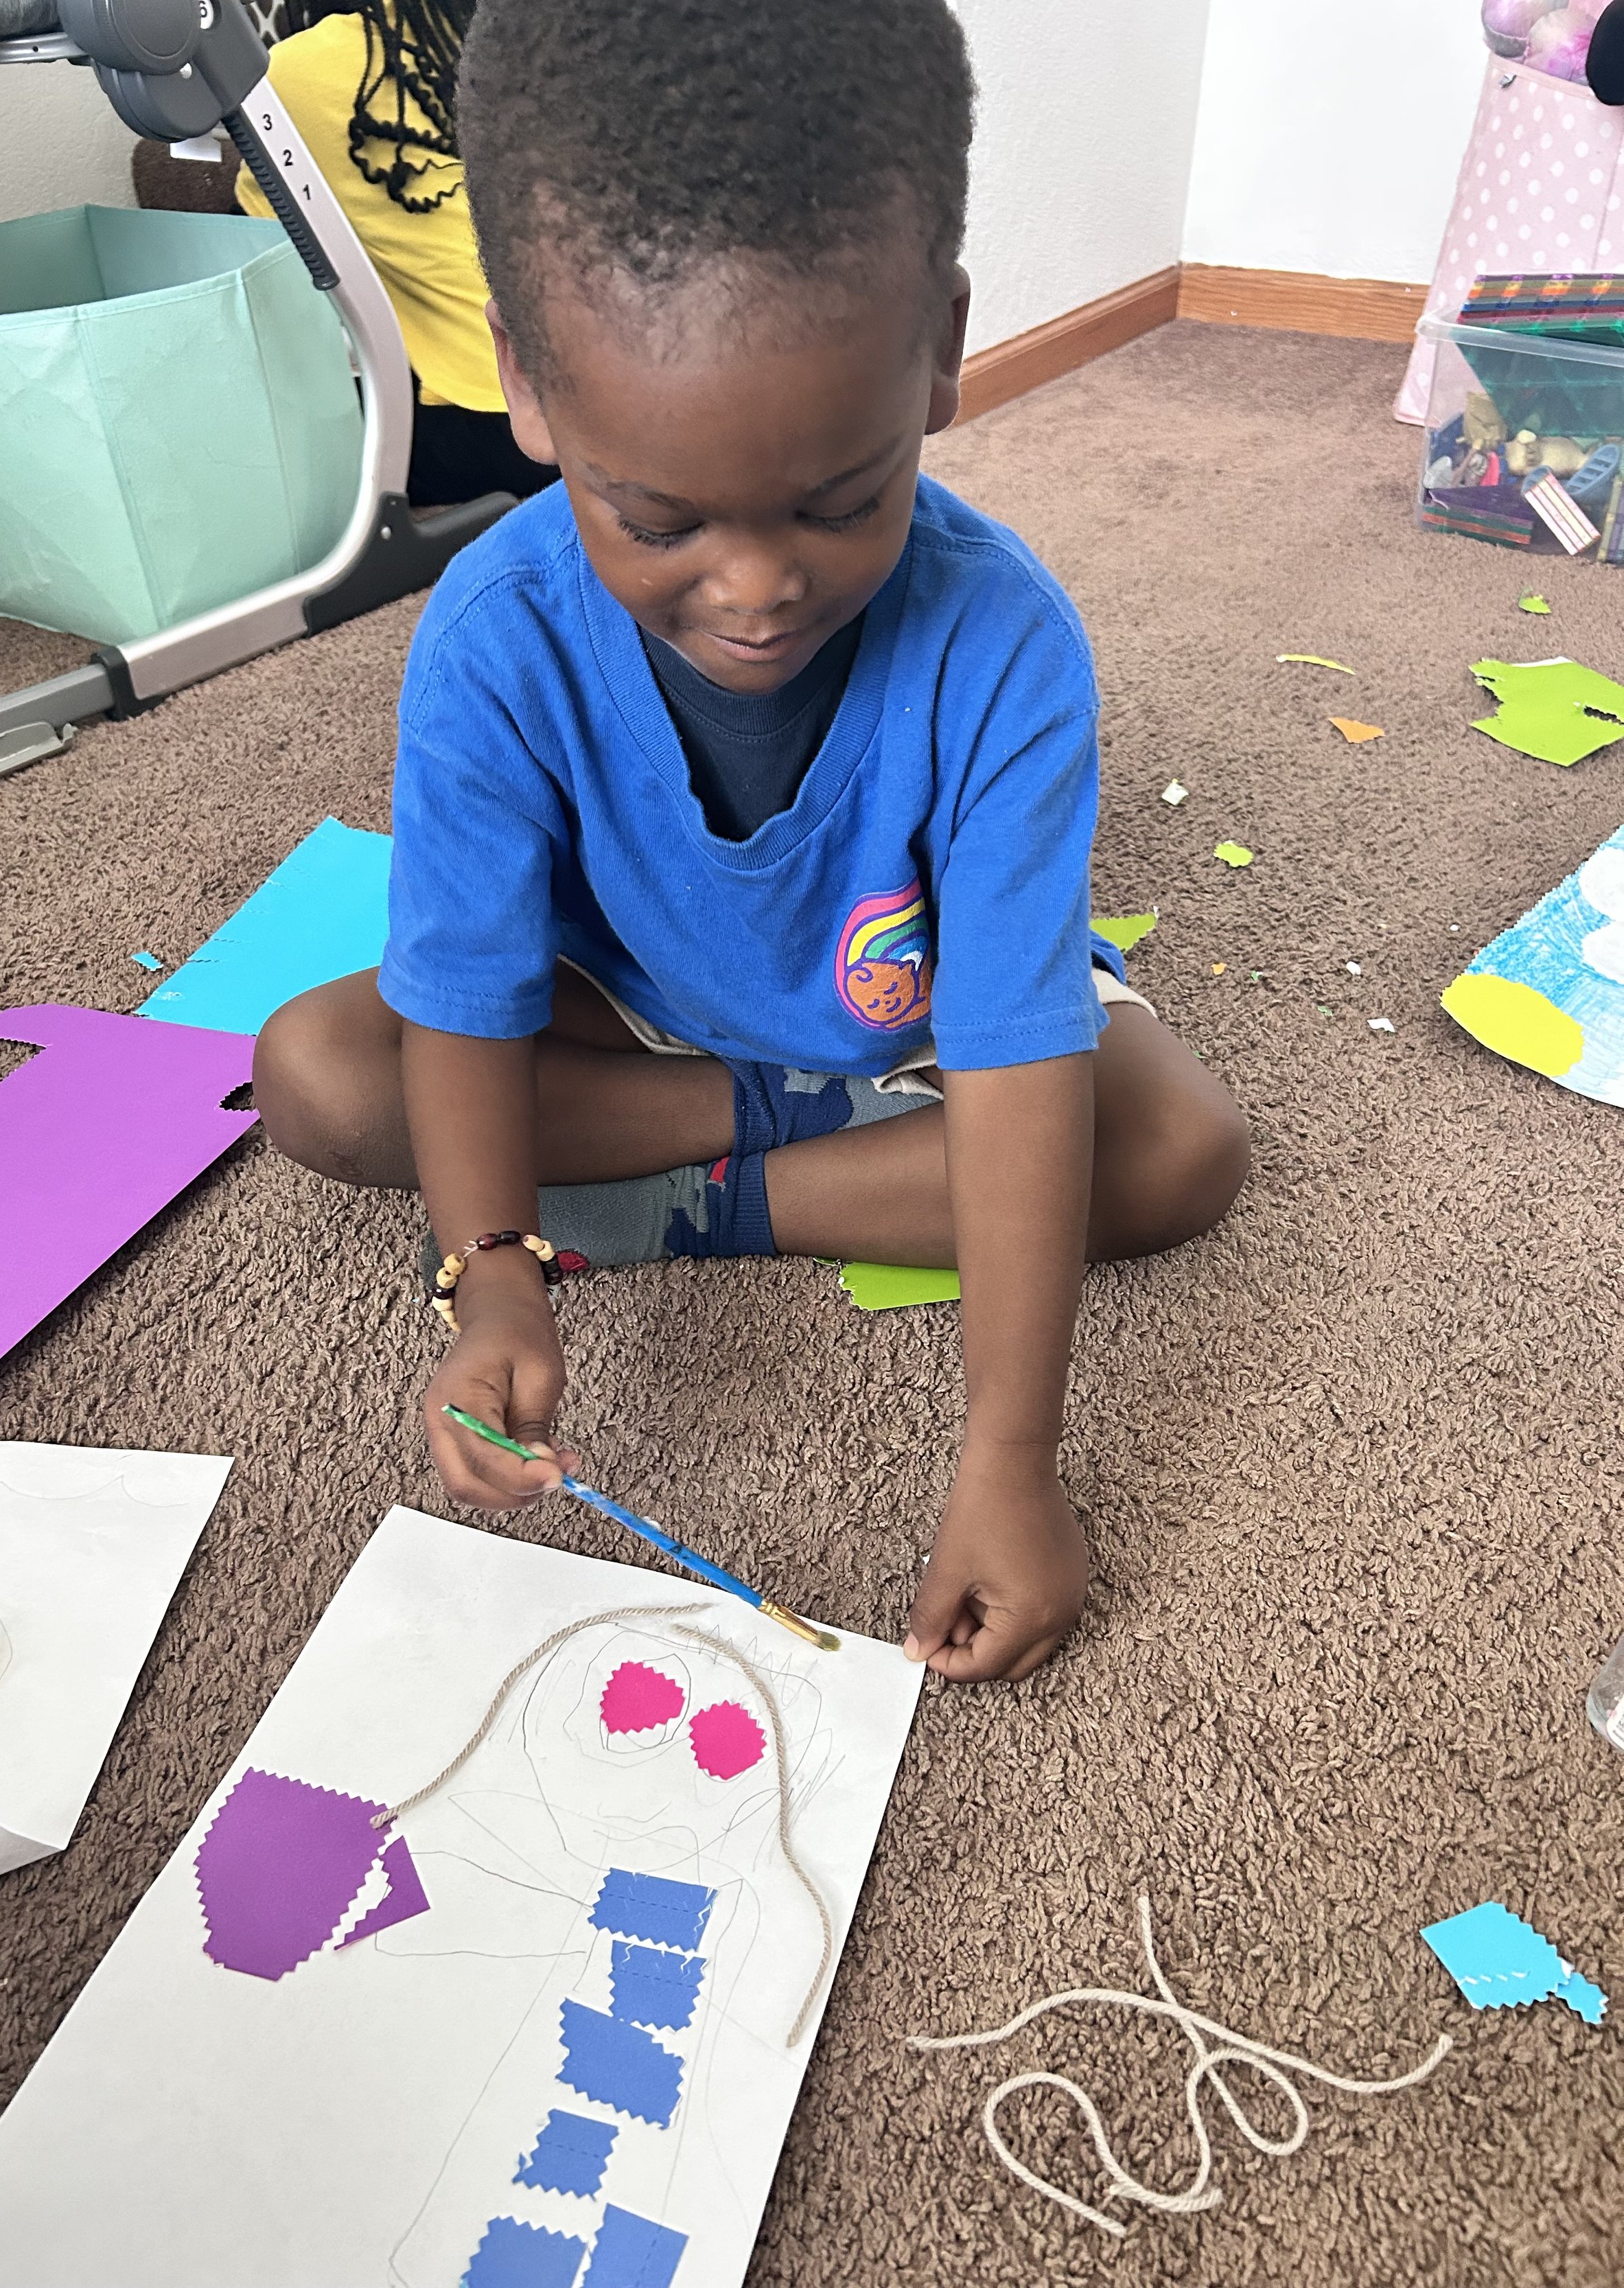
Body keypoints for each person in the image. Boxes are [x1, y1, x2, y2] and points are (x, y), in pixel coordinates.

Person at [253, 0, 1251, 1683]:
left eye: (842, 498)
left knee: (1171, 1156)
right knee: (326, 1077)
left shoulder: (1007, 646)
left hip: (918, 1027)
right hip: (635, 1013)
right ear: (528, 382)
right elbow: (473, 996)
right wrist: (491, 1271)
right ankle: (774, 1142)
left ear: (940, 347)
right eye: (662, 522)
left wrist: (1009, 1458)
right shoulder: (490, 638)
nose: (759, 587)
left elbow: (1015, 1055)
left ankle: (695, 1191)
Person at [234, 0, 556, 507]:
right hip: (606, 399)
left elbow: (270, 254)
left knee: (268, 429)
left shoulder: (288, 79)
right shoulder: (548, 38)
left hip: (498, 420)